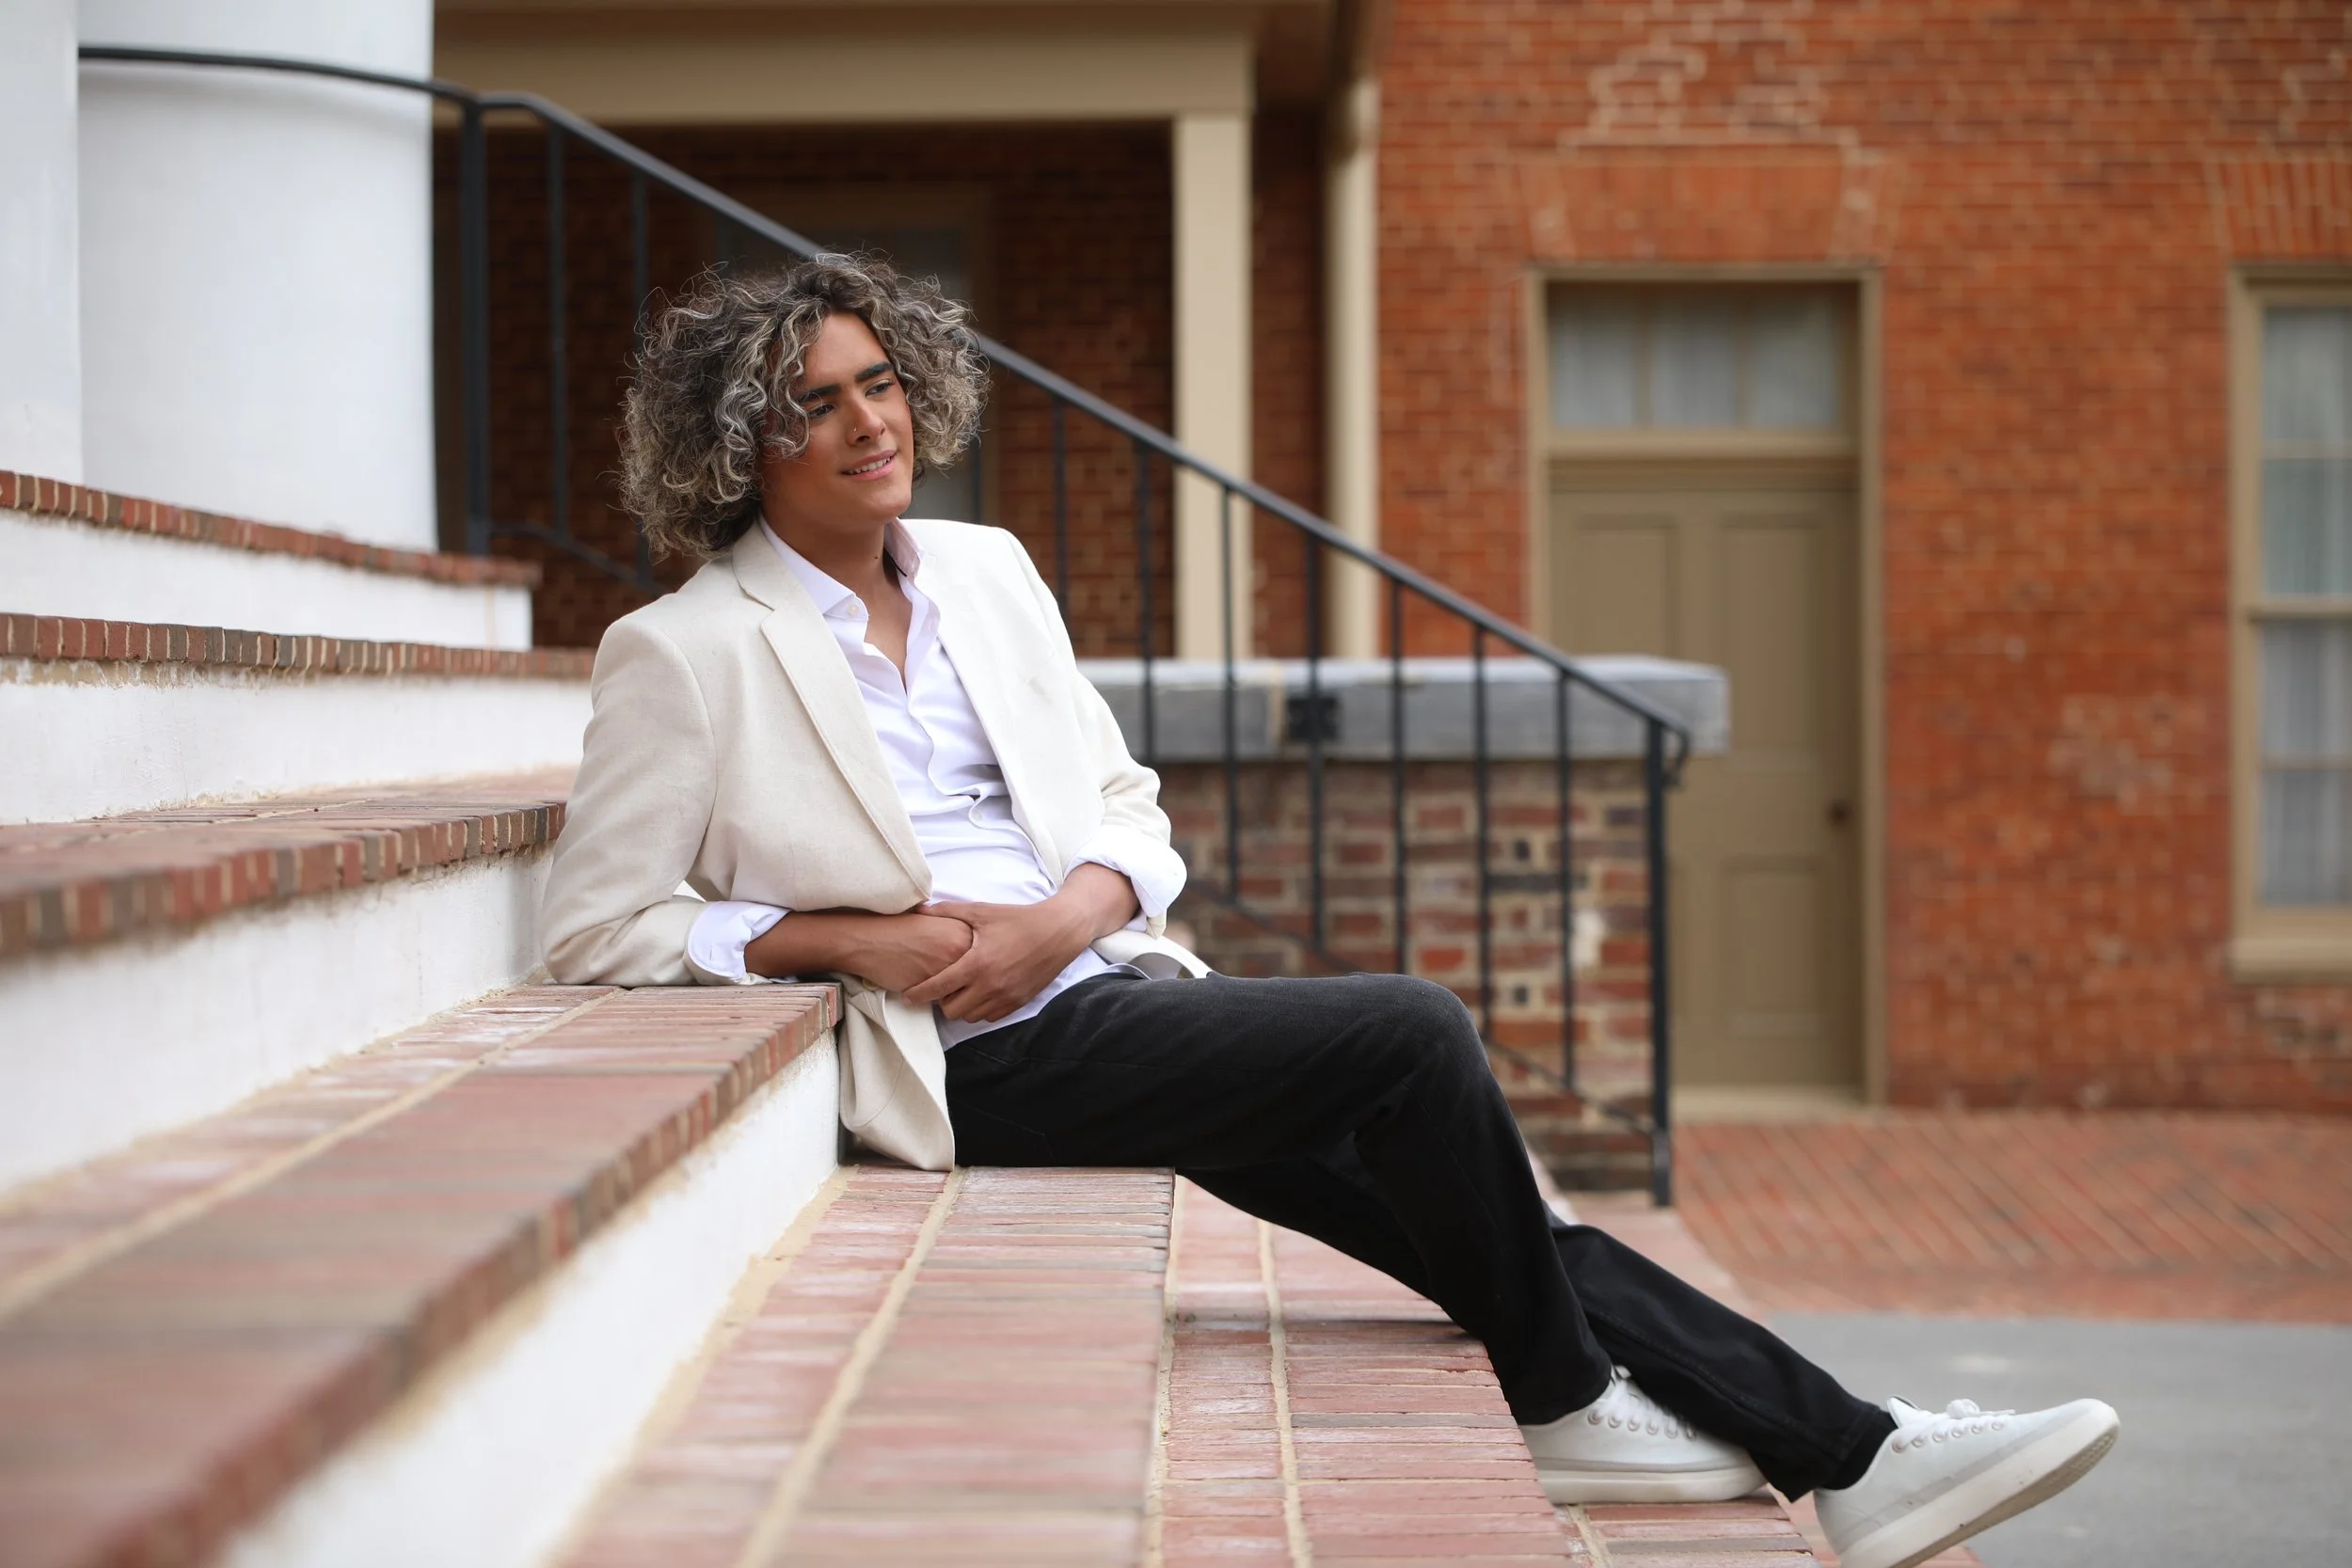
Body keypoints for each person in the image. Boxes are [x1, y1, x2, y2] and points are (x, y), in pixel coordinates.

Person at [540, 256, 2117, 1568]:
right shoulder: (687, 648)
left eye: (876, 380)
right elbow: (597, 926)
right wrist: (845, 941)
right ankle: (1577, 1399)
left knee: (1491, 1214)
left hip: (1111, 987)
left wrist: (1069, 908)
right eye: (812, 403)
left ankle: (1856, 1454)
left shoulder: (988, 572)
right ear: (741, 447)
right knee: (1414, 1035)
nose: (866, 420)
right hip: (962, 1055)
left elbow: (1125, 804)